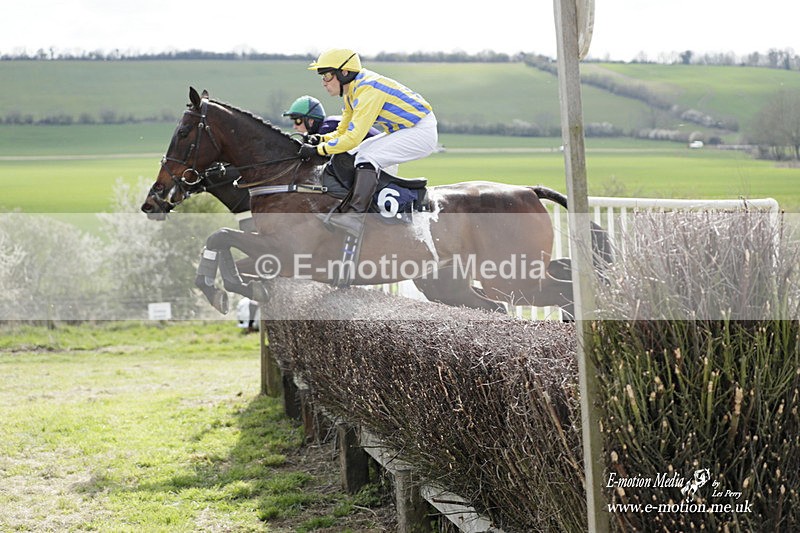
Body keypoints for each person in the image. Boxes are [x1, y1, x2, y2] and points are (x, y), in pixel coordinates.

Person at [298, 48, 438, 236]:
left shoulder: (367, 90)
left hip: (421, 130)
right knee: (356, 154)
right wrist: (319, 139)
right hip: (406, 128)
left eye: (327, 76)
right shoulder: (351, 92)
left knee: (366, 156)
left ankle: (355, 216)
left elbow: (352, 138)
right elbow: (342, 131)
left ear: (344, 72)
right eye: (322, 77)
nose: (324, 83)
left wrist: (318, 150)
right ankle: (355, 205)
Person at [283, 94, 380, 138]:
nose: (294, 126)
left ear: (311, 121)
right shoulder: (326, 126)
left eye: (298, 121)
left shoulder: (326, 129)